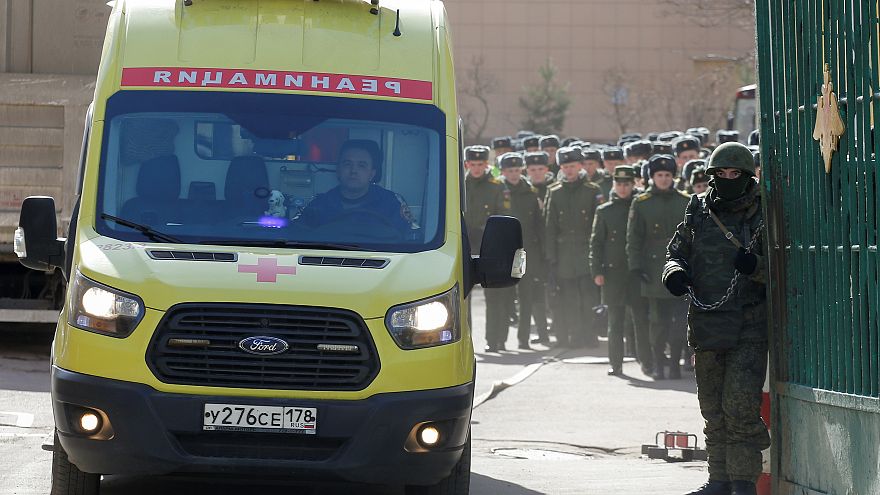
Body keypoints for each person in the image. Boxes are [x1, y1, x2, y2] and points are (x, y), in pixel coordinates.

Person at [663, 142, 769, 495]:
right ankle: (719, 480)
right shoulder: (697, 210)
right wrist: (674, 272)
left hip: (747, 327)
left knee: (739, 408)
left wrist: (757, 268)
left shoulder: (762, 214)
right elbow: (675, 251)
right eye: (720, 174)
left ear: (747, 175)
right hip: (706, 324)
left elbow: (788, 270)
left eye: (734, 174)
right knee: (713, 411)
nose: (726, 179)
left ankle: (742, 483)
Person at [626, 154, 691, 379]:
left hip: (681, 267)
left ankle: (674, 363)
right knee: (658, 322)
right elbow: (633, 238)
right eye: (659, 175)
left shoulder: (685, 200)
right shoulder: (642, 203)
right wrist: (636, 266)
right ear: (652, 177)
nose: (664, 179)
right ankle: (658, 364)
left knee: (680, 322)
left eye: (667, 175)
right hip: (654, 269)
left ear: (674, 176)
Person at [545, 147, 605, 348]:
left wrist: (599, 256)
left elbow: (599, 226)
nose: (569, 170)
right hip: (564, 256)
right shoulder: (554, 192)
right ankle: (575, 335)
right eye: (565, 166)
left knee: (588, 298)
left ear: (580, 166)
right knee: (569, 298)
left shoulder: (592, 190)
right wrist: (551, 259)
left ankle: (589, 334)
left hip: (586, 252)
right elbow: (550, 227)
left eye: (572, 166)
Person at [299, 139, 417, 234]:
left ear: (372, 173)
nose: (353, 171)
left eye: (362, 165)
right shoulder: (319, 204)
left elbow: (411, 237)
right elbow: (298, 237)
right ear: (338, 170)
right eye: (347, 164)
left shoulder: (391, 203)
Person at [590, 165, 638, 376]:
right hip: (612, 273)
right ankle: (615, 363)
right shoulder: (604, 211)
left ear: (633, 184)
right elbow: (596, 244)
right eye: (619, 184)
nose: (622, 188)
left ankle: (644, 359)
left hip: (636, 272)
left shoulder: (639, 206)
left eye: (626, 184)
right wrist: (596, 271)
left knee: (640, 318)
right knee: (615, 320)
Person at [464, 145, 511, 352]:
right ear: (466, 164)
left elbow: (503, 216)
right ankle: (465, 342)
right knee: (464, 299)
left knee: (494, 296)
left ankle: (495, 339)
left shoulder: (496, 186)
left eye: (480, 164)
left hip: (487, 244)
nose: (476, 168)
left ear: (487, 165)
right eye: (472, 164)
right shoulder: (458, 183)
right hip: (464, 244)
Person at [499, 152, 547, 349]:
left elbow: (539, 225)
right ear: (503, 171)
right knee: (504, 297)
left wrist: (543, 253)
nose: (514, 174)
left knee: (526, 297)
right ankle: (499, 340)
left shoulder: (531, 192)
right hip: (504, 251)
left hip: (527, 252)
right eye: (510, 170)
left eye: (517, 170)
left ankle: (523, 339)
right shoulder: (498, 191)